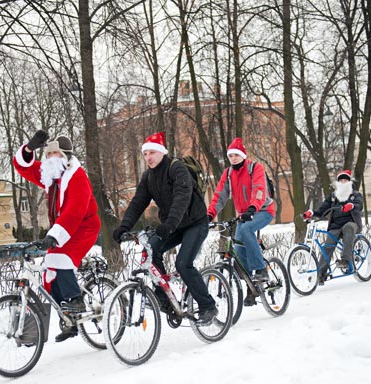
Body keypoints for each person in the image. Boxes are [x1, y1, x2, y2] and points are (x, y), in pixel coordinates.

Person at [111, 132, 218, 324]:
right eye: (145, 154)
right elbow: (137, 203)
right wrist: (124, 226)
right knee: (151, 251)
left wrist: (169, 223)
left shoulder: (176, 169)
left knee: (183, 264)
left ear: (161, 152)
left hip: (195, 222)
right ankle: (166, 299)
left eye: (152, 152)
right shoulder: (148, 177)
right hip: (173, 225)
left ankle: (208, 305)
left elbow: (181, 198)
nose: (149, 157)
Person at [13, 130, 101, 342]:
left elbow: (75, 212)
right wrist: (29, 149)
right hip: (64, 229)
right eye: (49, 155)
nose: (51, 158)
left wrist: (54, 236)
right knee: (49, 270)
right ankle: (69, 318)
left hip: (84, 227)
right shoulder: (52, 177)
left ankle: (76, 301)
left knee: (60, 258)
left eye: (56, 155)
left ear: (66, 157)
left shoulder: (77, 177)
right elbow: (25, 168)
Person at [207, 137, 275, 305]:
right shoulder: (228, 174)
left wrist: (253, 208)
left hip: (263, 210)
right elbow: (219, 196)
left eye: (236, 155)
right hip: (244, 215)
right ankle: (252, 287)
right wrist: (209, 215)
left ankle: (261, 269)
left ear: (243, 155)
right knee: (238, 250)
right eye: (230, 156)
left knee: (245, 230)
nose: (233, 158)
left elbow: (259, 189)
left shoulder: (255, 168)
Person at [303, 169, 363, 284]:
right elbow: (322, 209)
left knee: (348, 228)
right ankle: (320, 274)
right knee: (328, 247)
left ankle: (346, 260)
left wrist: (351, 205)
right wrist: (312, 213)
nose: (343, 182)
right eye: (341, 180)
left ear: (349, 182)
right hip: (335, 226)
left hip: (351, 222)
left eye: (345, 180)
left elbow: (359, 205)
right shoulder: (333, 197)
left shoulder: (355, 195)